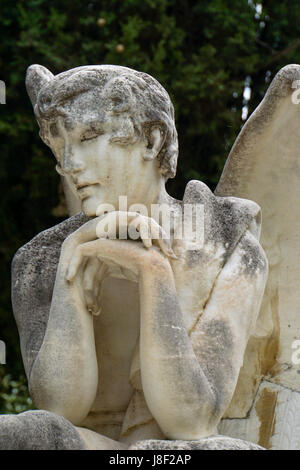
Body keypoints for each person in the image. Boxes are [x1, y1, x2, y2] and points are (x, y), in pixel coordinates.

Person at [9, 64, 268, 450]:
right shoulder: (39, 259)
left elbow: (192, 420)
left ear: (152, 139)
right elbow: (59, 412)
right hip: (93, 444)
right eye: (60, 148)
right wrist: (70, 274)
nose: (69, 164)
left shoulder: (227, 240)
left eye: (89, 136)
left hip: (187, 450)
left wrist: (153, 271)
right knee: (21, 434)